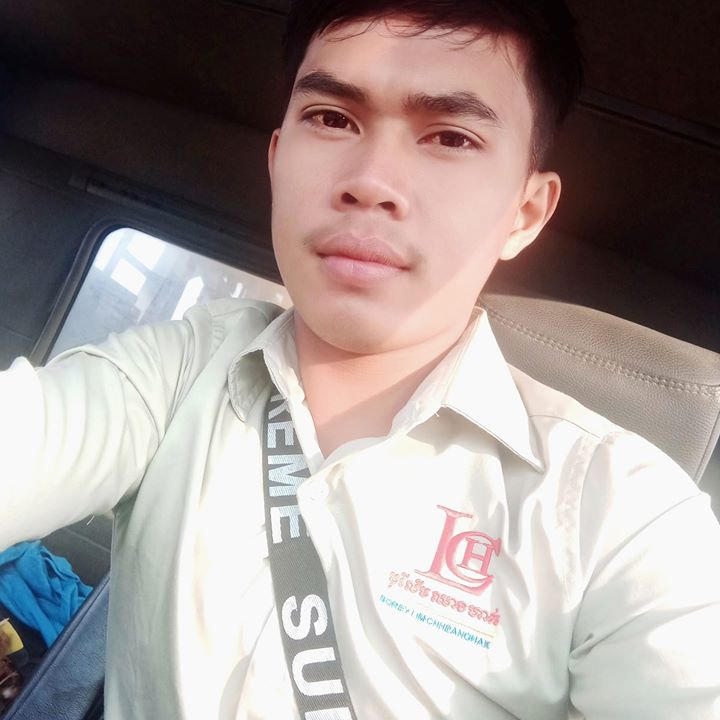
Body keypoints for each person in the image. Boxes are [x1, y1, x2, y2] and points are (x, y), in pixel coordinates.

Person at [1, 0, 719, 718]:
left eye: (451, 136)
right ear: (277, 159)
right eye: (332, 119)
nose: (371, 180)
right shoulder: (181, 368)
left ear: (524, 214)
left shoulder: (622, 513)